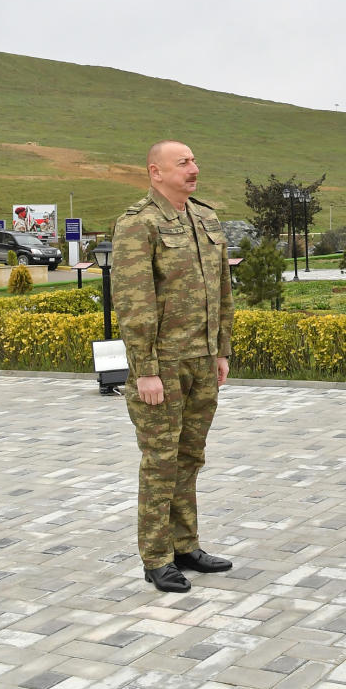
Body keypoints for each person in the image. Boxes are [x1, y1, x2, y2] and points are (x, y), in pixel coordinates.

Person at [112, 140, 235, 593]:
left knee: (190, 457)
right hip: (161, 366)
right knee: (161, 461)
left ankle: (186, 545)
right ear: (155, 172)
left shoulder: (205, 218)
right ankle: (157, 557)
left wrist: (221, 350)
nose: (194, 168)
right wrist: (144, 368)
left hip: (202, 361)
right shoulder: (137, 225)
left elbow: (222, 289)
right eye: (183, 163)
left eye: (195, 161)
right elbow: (132, 300)